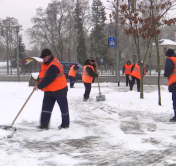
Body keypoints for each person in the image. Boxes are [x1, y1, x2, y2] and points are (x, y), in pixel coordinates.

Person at [34, 48, 69, 129]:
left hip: (60, 90)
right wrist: (37, 81)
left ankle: (65, 124)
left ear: (49, 56)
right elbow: (42, 74)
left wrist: (39, 86)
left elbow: (49, 78)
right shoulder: (46, 63)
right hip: (49, 90)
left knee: (63, 108)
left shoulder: (54, 65)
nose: (43, 59)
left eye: (44, 57)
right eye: (42, 57)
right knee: (46, 108)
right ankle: (44, 124)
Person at [164, 48, 176, 122]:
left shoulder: (170, 59)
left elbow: (168, 70)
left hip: (174, 81)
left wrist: (165, 74)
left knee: (175, 99)